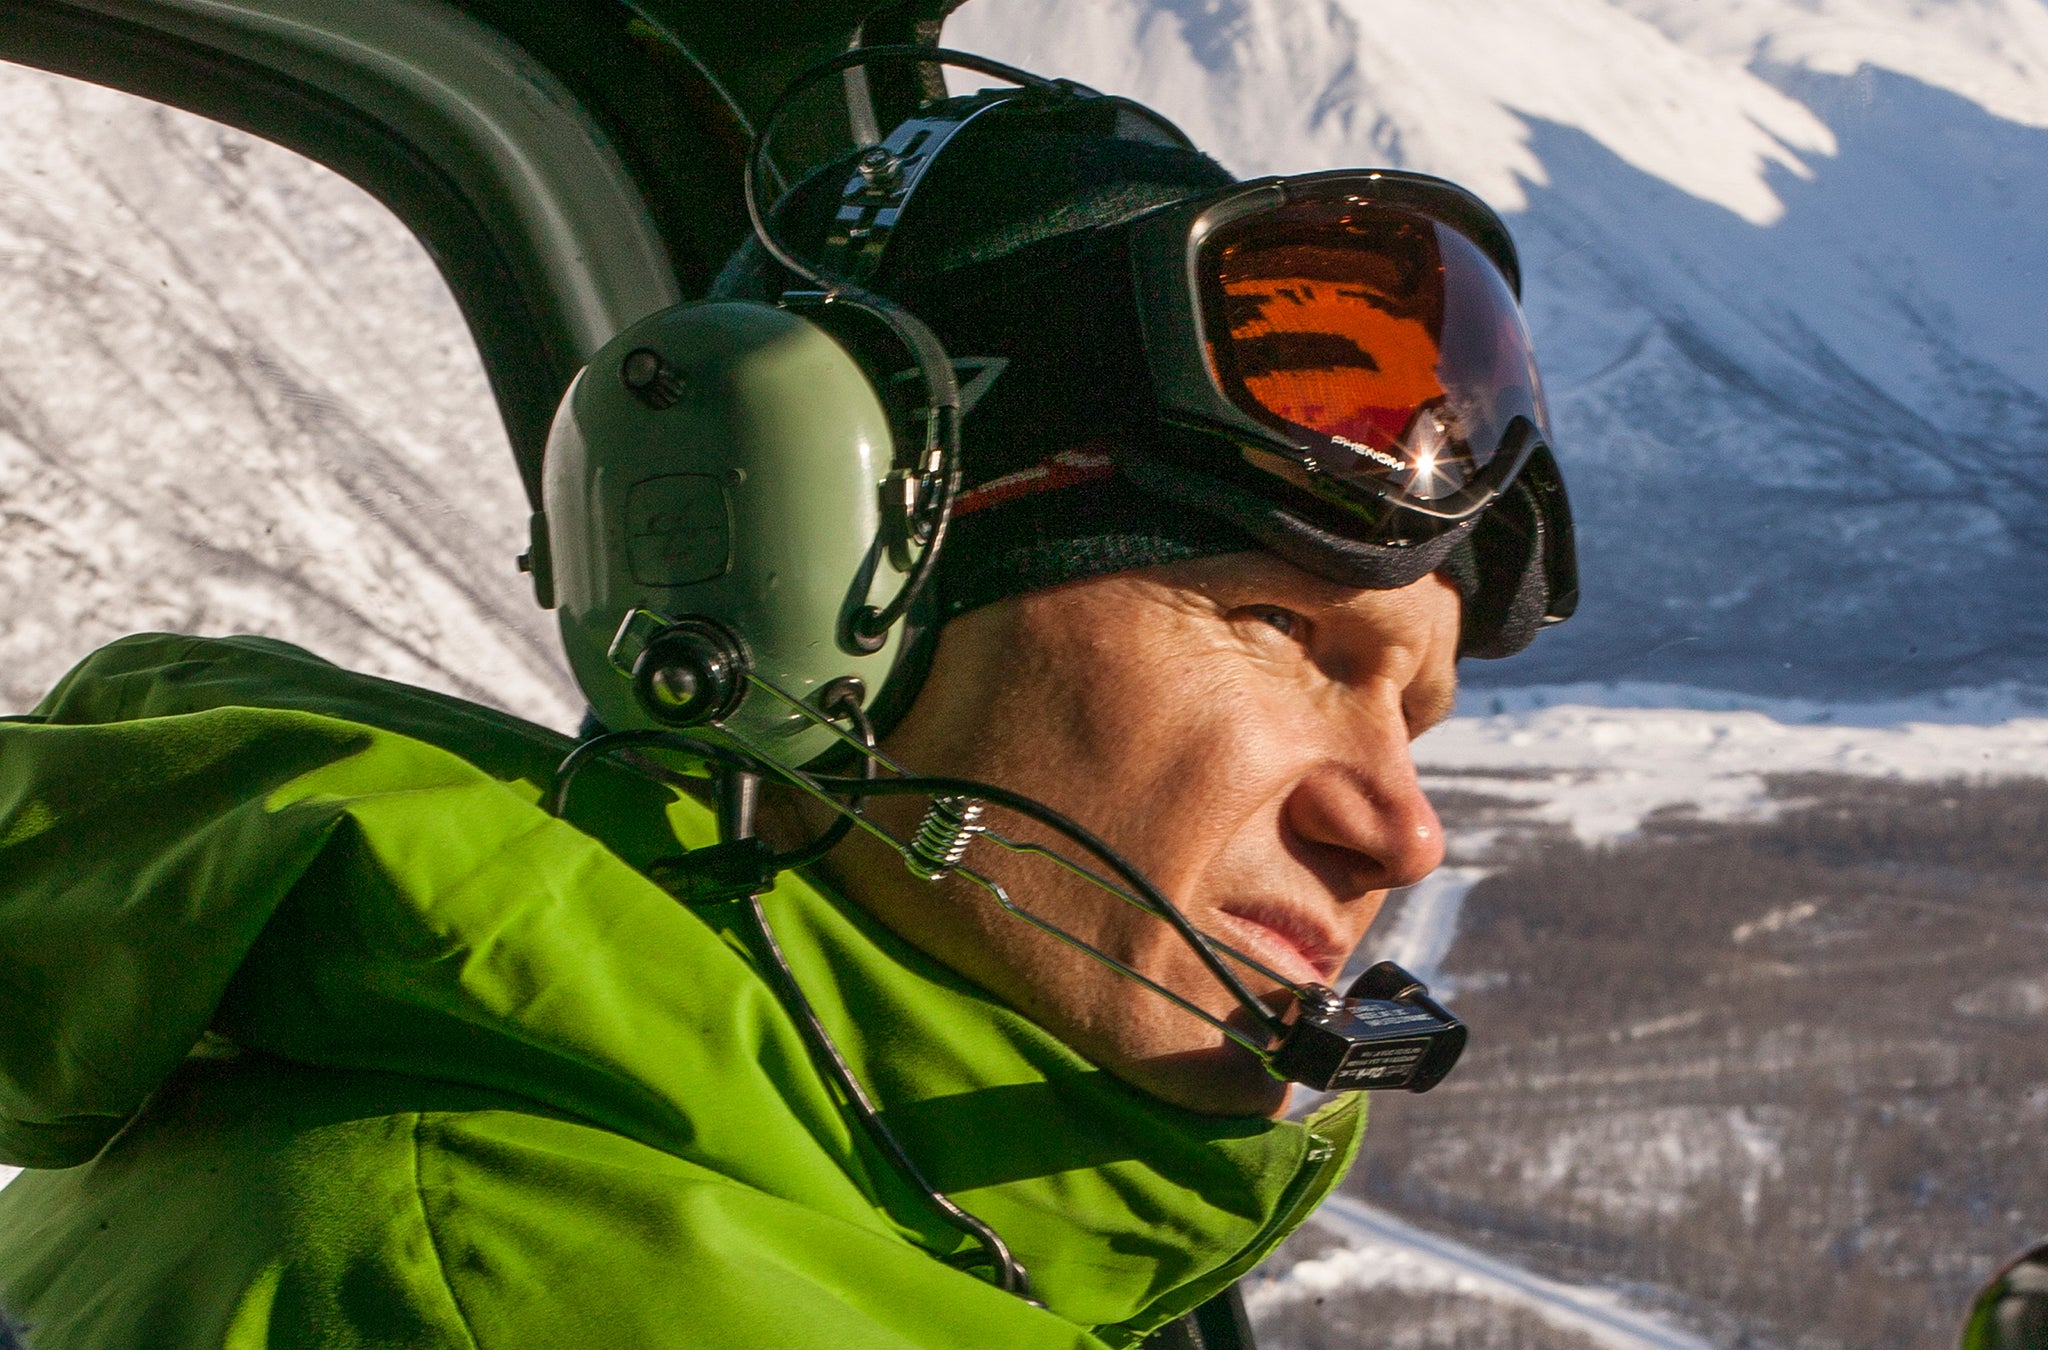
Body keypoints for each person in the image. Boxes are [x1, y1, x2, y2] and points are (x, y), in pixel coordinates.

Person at [0, 70, 1572, 1350]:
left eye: (1414, 718)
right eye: (1282, 630)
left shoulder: (747, 1182)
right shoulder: (521, 1292)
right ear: (826, 610)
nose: (1401, 829)